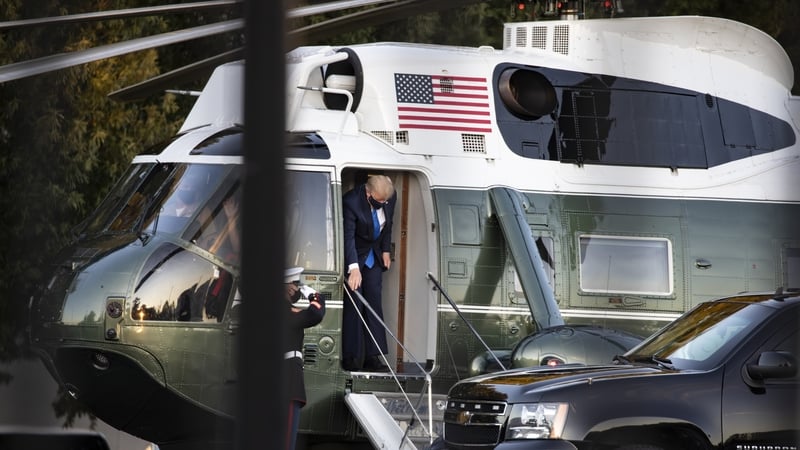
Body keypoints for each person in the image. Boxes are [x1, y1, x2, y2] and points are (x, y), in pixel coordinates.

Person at [341, 174, 397, 372]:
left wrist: (385, 250)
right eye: (379, 200)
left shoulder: (390, 196)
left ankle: (373, 357)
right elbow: (347, 237)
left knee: (374, 303)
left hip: (373, 255)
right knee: (354, 305)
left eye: (386, 201)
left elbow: (388, 225)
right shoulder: (351, 202)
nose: (384, 203)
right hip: (354, 254)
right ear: (368, 193)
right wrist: (353, 268)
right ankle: (350, 357)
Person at [284, 266, 325, 450]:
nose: (296, 288)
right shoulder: (284, 311)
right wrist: (315, 296)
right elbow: (315, 313)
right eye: (294, 283)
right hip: (288, 382)